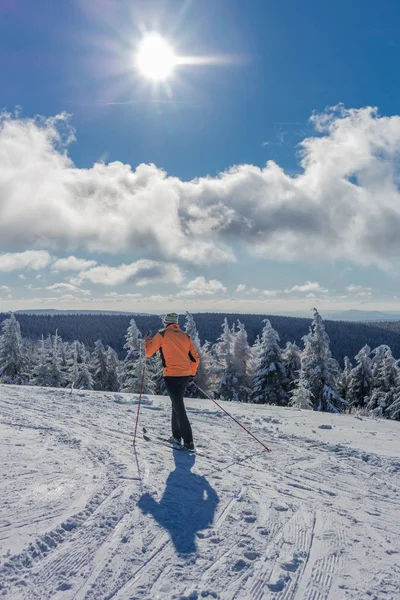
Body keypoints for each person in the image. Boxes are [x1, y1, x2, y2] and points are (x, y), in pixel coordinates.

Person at [144, 313, 200, 451]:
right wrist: (191, 373)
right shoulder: (185, 336)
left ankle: (188, 442)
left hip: (171, 376)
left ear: (166, 323)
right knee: (177, 404)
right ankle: (176, 436)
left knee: (179, 408)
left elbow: (148, 353)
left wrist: (147, 341)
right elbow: (196, 358)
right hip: (185, 375)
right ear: (176, 323)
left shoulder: (162, 334)